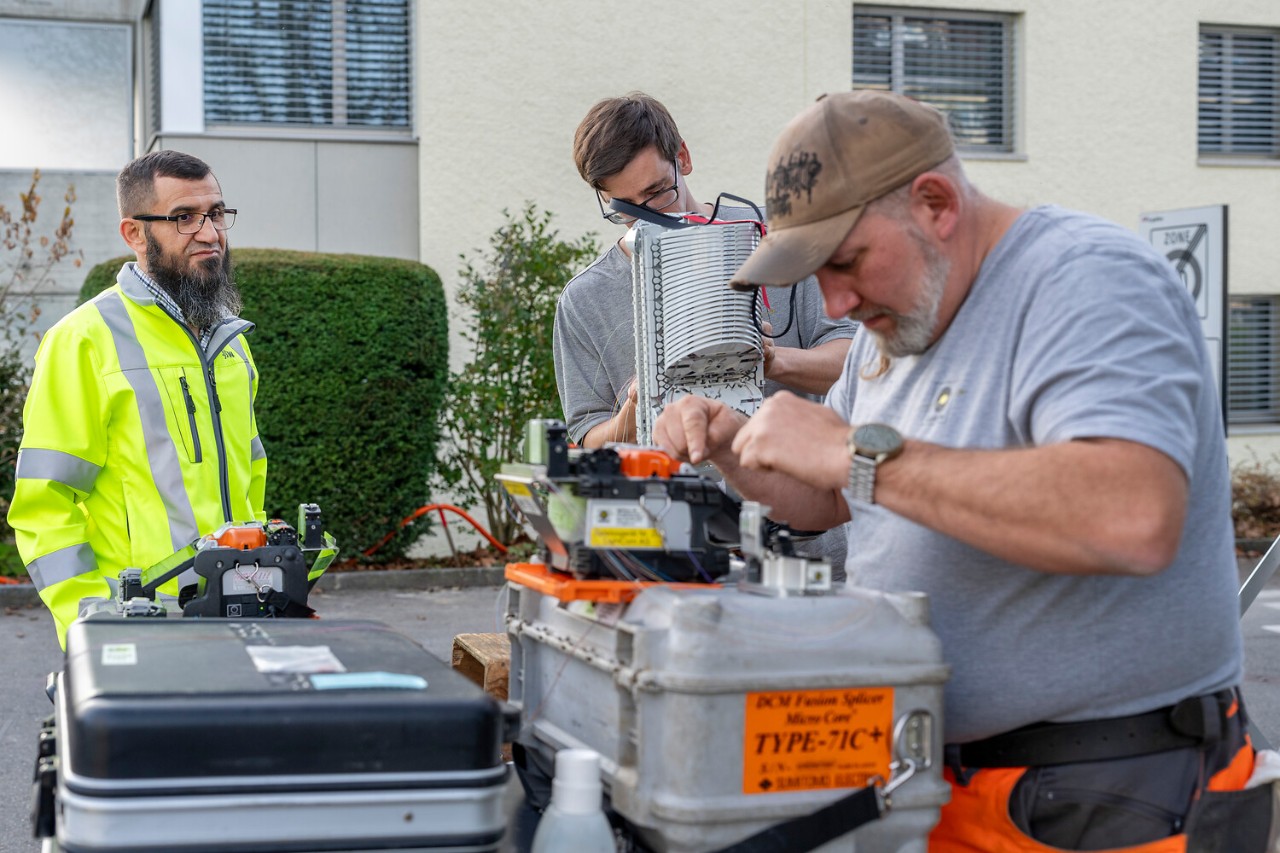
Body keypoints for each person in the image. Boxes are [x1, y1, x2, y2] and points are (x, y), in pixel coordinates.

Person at [653, 90, 1262, 851]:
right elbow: (831, 497)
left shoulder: (1085, 281)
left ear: (935, 203)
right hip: (943, 782)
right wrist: (736, 446)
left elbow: (1131, 516)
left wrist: (854, 453)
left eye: (845, 262)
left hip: (1111, 794)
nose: (836, 301)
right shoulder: (897, 325)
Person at [9, 150, 266, 647]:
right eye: (184, 218)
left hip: (237, 616)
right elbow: (45, 507)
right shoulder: (82, 340)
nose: (211, 233)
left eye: (215, 214)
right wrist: (93, 623)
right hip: (138, 629)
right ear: (134, 233)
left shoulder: (231, 343)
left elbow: (248, 477)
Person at [554, 91, 857, 451]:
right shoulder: (585, 298)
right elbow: (588, 434)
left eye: (657, 192)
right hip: (666, 499)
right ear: (604, 197)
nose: (649, 216)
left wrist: (772, 361)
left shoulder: (782, 237)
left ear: (682, 157)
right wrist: (634, 411)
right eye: (625, 208)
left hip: (795, 493)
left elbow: (854, 360)